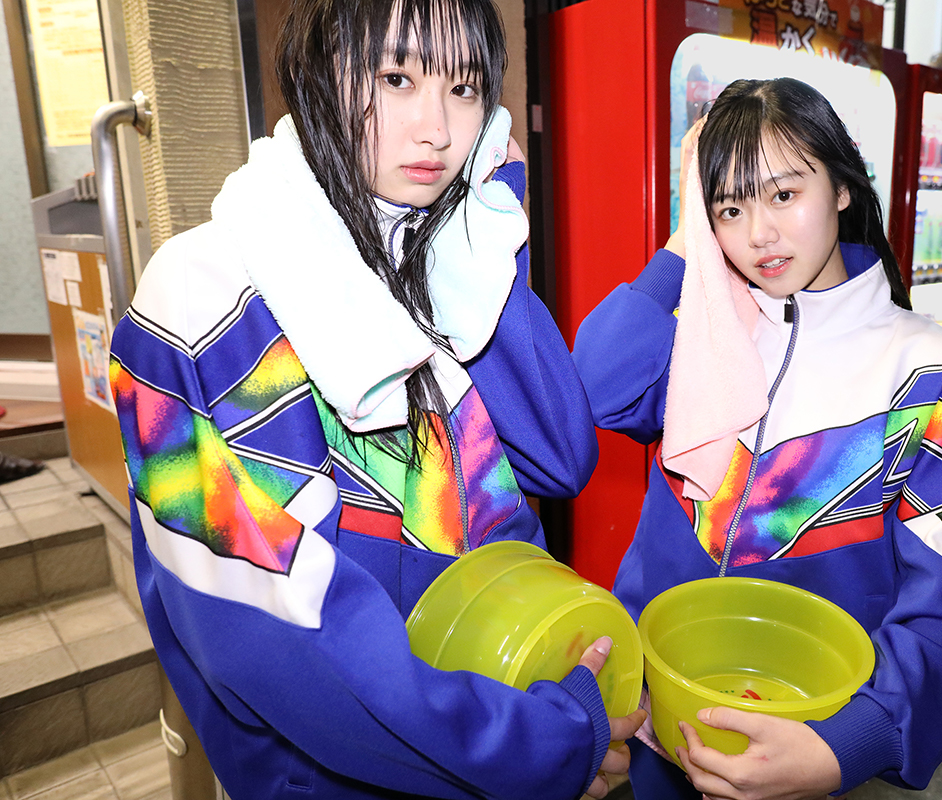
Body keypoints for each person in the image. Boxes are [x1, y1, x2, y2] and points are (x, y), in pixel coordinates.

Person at [108, 0, 642, 797]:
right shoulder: (200, 297)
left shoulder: (432, 259)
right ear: (318, 74)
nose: (438, 130)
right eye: (397, 78)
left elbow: (558, 456)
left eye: (464, 89)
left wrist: (487, 231)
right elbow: (281, 637)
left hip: (495, 717)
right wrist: (540, 745)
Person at [572, 77, 942, 799]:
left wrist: (844, 748)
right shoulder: (707, 340)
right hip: (664, 726)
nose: (758, 235)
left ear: (841, 186)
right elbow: (595, 386)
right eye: (730, 208)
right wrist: (685, 243)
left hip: (809, 746)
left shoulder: (928, 370)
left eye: (784, 194)